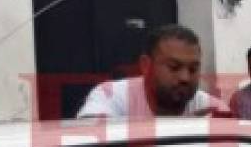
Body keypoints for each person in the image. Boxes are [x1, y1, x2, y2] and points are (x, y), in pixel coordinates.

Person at [77, 24, 227, 119]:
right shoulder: (111, 95)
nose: (185, 77)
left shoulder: (211, 109)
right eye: (174, 67)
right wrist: (182, 130)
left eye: (193, 69)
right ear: (146, 65)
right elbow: (89, 135)